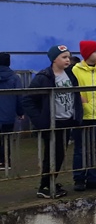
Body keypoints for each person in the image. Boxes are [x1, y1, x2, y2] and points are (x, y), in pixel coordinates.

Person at [23, 45, 82, 198]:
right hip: (52, 123)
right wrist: (40, 121)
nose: (68, 60)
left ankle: (51, 181)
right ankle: (44, 186)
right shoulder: (44, 77)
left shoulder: (70, 75)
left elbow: (75, 95)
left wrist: (76, 115)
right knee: (52, 155)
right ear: (54, 59)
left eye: (68, 57)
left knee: (60, 155)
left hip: (66, 120)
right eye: (64, 57)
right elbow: (28, 100)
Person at [70, 40, 96, 191]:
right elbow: (72, 88)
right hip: (82, 115)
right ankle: (79, 179)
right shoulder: (75, 70)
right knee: (80, 148)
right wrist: (80, 99)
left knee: (94, 148)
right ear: (87, 53)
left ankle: (93, 178)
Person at [0, 52, 25, 170]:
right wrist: (21, 112)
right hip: (8, 114)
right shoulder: (15, 77)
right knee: (7, 138)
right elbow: (19, 96)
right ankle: (6, 161)